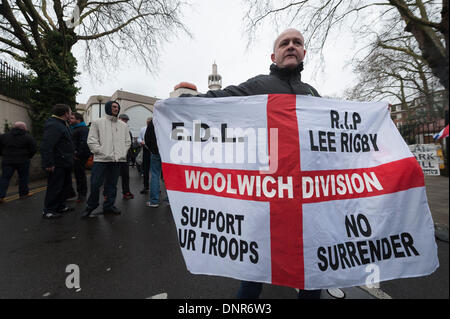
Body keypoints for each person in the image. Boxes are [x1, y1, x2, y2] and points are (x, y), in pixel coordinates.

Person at [178, 28, 321, 299]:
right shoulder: (258, 86)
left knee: (311, 271)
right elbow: (219, 101)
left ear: (304, 52)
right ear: (274, 54)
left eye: (297, 42)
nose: (291, 46)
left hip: (305, 201)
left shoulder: (313, 94)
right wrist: (181, 105)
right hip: (265, 198)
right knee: (254, 269)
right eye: (284, 43)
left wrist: (374, 121)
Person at [82, 101, 131, 218]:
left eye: (117, 107)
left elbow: (127, 142)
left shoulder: (123, 125)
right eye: (114, 107)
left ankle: (109, 206)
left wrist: (122, 153)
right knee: (95, 183)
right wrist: (101, 151)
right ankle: (91, 206)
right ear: (108, 107)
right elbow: (92, 140)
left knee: (112, 184)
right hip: (101, 159)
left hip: (117, 160)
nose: (116, 109)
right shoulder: (97, 122)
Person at [40, 104, 75, 219]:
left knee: (65, 186)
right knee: (55, 187)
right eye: (70, 112)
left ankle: (60, 206)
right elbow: (47, 145)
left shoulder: (61, 124)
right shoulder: (54, 125)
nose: (71, 114)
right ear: (66, 113)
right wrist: (49, 163)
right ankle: (48, 210)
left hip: (65, 162)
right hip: (57, 163)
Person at [0, 122, 37, 203]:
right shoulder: (28, 137)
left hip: (7, 161)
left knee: (5, 178)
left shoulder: (4, 136)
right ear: (23, 128)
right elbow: (34, 149)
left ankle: (1, 196)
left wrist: (3, 155)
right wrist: (28, 156)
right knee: (23, 178)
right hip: (23, 161)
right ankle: (23, 194)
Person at [70, 112, 91, 202]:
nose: (70, 120)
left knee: (80, 175)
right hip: (76, 156)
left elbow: (84, 143)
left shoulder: (83, 129)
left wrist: (78, 155)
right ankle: (75, 194)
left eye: (72, 118)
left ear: (78, 120)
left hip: (80, 157)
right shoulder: (75, 128)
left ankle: (82, 195)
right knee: (78, 175)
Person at [144, 118, 163, 207]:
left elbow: (147, 138)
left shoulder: (155, 121)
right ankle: (170, 200)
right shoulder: (172, 117)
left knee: (155, 175)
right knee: (168, 176)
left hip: (156, 152)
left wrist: (153, 150)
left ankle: (154, 201)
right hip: (169, 153)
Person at [118, 113, 134, 200]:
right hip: (114, 156)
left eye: (126, 120)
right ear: (119, 119)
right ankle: (108, 195)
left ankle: (126, 191)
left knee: (125, 175)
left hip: (125, 156)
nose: (125, 122)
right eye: (123, 120)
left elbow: (130, 144)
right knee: (112, 176)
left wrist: (132, 157)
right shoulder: (114, 129)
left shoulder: (128, 131)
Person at [138, 117, 152, 194]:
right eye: (147, 122)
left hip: (154, 151)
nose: (148, 123)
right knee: (146, 169)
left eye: (150, 122)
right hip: (146, 151)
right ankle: (146, 186)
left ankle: (155, 186)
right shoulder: (143, 129)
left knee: (155, 171)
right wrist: (141, 141)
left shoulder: (156, 129)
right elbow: (139, 138)